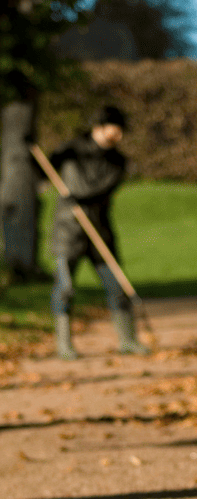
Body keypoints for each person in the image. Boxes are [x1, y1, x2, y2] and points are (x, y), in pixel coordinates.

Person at [45, 105, 149, 359]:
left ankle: (128, 341)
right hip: (67, 230)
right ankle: (64, 345)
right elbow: (43, 167)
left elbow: (103, 190)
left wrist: (77, 198)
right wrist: (33, 152)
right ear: (100, 128)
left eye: (121, 132)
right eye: (115, 130)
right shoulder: (71, 150)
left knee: (116, 285)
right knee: (65, 286)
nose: (119, 136)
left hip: (100, 230)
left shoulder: (117, 161)